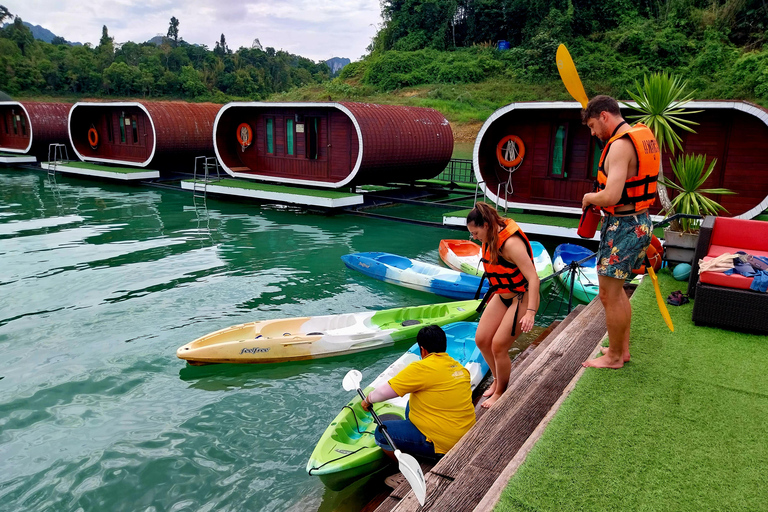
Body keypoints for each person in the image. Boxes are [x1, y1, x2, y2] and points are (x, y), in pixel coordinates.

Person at [580, 95, 659, 369]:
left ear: (604, 116)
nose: (593, 133)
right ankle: (620, 349)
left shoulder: (619, 146)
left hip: (624, 226)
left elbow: (612, 196)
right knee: (619, 291)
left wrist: (590, 197)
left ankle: (613, 358)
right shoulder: (639, 136)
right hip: (639, 221)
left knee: (609, 295)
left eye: (592, 126)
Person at [360, 325, 475, 460]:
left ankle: (402, 466)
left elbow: (383, 393)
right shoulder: (460, 368)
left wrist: (367, 400)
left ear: (423, 350)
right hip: (466, 433)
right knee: (411, 403)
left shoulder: (421, 367)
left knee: (382, 433)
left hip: (444, 444)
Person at [465, 202, 539, 408]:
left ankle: (500, 392)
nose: (474, 237)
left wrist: (531, 312)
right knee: (481, 339)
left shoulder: (511, 244)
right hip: (502, 294)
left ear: (487, 225)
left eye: (475, 232)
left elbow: (533, 279)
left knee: (498, 346)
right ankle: (498, 378)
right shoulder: (489, 236)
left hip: (522, 296)